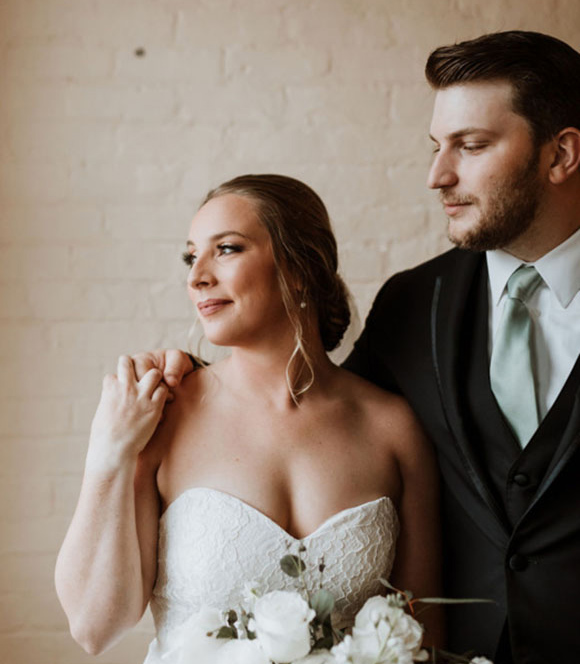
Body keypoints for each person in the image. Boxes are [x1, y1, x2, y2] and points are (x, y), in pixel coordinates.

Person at [142, 31, 580, 664]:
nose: (438, 175)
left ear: (561, 153)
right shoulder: (414, 303)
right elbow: (314, 408)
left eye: (472, 145)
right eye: (436, 147)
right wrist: (190, 384)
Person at [55, 174, 443, 662]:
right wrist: (109, 448)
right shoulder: (164, 416)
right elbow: (94, 628)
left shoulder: (393, 428)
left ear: (300, 267)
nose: (196, 276)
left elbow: (424, 635)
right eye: (190, 256)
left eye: (227, 249)